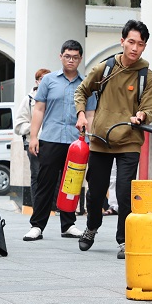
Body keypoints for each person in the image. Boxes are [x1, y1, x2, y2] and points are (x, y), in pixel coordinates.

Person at [74, 19, 152, 259]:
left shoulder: (147, 77)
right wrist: (81, 114)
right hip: (100, 138)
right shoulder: (105, 68)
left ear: (144, 47)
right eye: (131, 42)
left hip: (129, 140)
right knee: (96, 191)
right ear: (122, 41)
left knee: (124, 192)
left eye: (140, 44)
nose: (134, 48)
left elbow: (149, 107)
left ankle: (124, 239)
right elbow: (82, 90)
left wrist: (143, 115)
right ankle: (91, 227)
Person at [23, 40, 95, 242]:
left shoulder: (86, 83)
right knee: (45, 183)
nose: (71, 60)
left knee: (71, 184)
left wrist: (88, 141)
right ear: (60, 56)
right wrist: (34, 137)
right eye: (67, 56)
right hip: (51, 139)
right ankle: (37, 225)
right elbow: (38, 110)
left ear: (80, 59)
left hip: (76, 142)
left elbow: (90, 115)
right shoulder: (48, 81)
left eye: (75, 57)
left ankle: (68, 224)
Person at [14, 67, 52, 207]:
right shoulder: (29, 99)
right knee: (36, 174)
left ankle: (54, 205)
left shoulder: (56, 97)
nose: (46, 81)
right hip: (34, 142)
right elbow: (18, 124)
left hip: (53, 142)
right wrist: (35, 127)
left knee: (56, 174)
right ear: (37, 82)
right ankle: (37, 206)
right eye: (43, 79)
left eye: (49, 78)